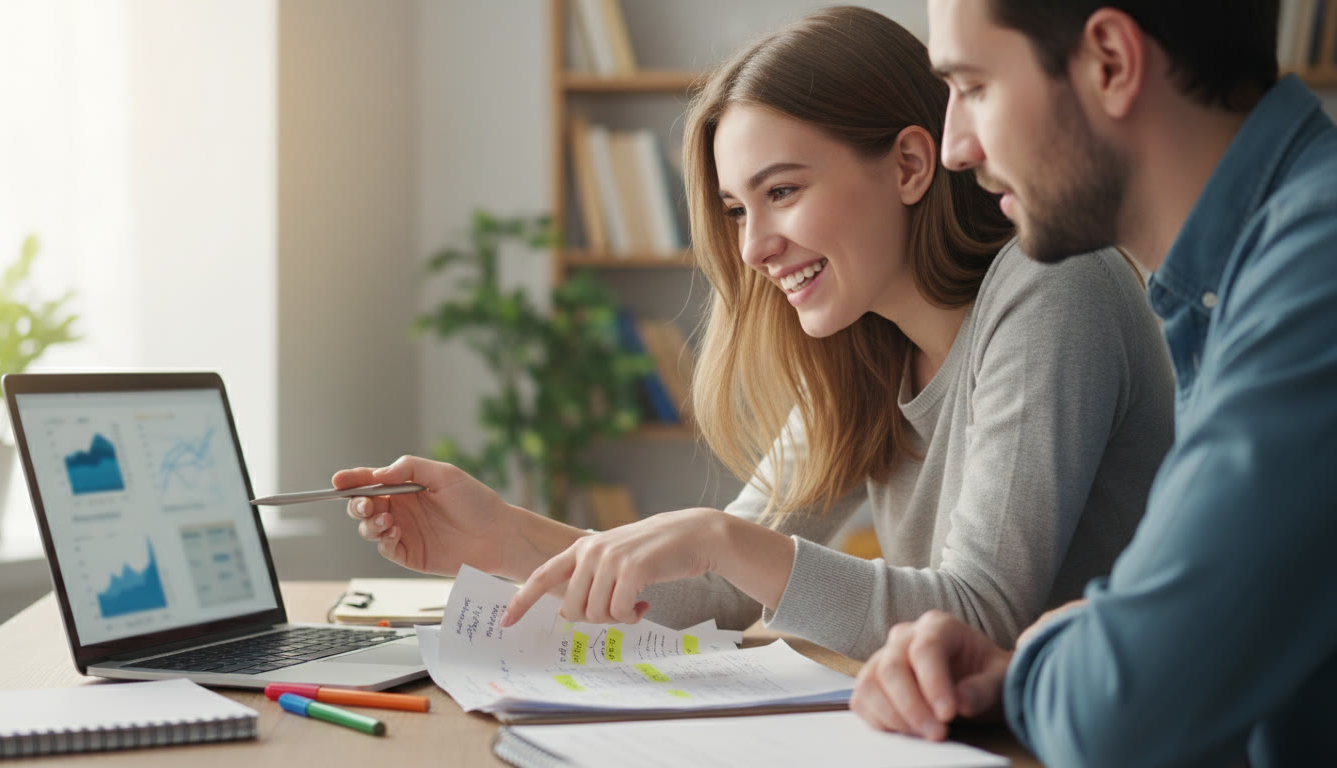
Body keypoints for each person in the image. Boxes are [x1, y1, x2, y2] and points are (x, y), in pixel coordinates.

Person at [337, 6, 1173, 663]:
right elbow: (718, 589)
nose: (751, 248)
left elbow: (982, 620)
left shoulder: (1053, 286)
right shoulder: (864, 342)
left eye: (782, 192)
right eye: (739, 209)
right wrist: (502, 536)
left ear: (912, 166)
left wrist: (727, 538)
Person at [849, 1, 1337, 766]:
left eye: (973, 87)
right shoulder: (1243, 277)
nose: (954, 148)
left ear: (1109, 61)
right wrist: (1044, 662)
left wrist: (1049, 655)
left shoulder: (1314, 278)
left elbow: (1123, 715)